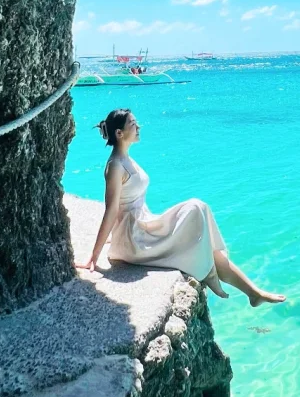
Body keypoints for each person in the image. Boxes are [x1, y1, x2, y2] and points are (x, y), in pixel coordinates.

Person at [79, 108, 285, 307]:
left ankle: (252, 292)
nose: (138, 127)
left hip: (142, 224)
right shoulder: (115, 165)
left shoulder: (126, 159)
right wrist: (94, 257)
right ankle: (217, 276)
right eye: (133, 124)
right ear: (119, 133)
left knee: (199, 211)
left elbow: (131, 199)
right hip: (133, 239)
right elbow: (111, 209)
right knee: (195, 209)